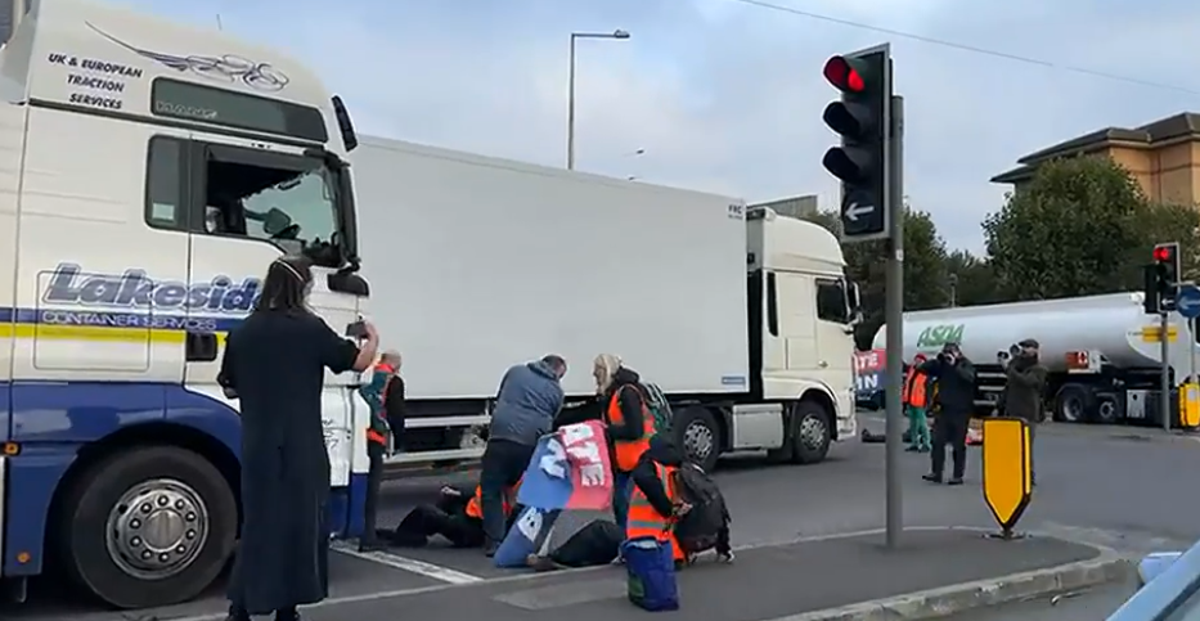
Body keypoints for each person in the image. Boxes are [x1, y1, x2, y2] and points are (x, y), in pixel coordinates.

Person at [218, 256, 379, 621]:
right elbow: (357, 362)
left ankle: (241, 608)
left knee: (259, 524)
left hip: (258, 445)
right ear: (301, 288)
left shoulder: (243, 331)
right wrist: (372, 337)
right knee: (298, 525)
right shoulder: (309, 328)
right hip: (301, 445)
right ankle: (286, 611)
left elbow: (229, 387)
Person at [480, 354, 567, 556]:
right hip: (529, 443)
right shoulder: (556, 391)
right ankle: (517, 536)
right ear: (557, 371)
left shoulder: (515, 371)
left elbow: (500, 397)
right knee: (521, 489)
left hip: (501, 436)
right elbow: (552, 417)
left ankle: (494, 541)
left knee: (491, 490)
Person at [594, 353, 654, 530]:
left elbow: (635, 430)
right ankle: (627, 545)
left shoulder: (627, 394)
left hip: (638, 460)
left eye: (597, 371)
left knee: (625, 506)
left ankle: (631, 545)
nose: (594, 375)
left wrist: (605, 431)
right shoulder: (615, 393)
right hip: (625, 462)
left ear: (606, 371)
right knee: (621, 505)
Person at [357, 351, 403, 552]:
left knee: (361, 487)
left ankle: (359, 530)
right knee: (372, 492)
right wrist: (399, 440)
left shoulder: (368, 376)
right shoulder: (393, 381)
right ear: (396, 365)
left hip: (360, 438)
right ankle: (368, 537)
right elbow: (396, 413)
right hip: (375, 439)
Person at [386, 483, 520, 549]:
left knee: (425, 512)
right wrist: (458, 493)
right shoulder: (502, 474)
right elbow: (479, 493)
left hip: (475, 528)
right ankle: (422, 528)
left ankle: (406, 537)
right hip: (473, 515)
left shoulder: (513, 486)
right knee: (449, 494)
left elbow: (503, 511)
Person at [919, 342, 976, 486]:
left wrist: (955, 364)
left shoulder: (965, 364)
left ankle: (958, 475)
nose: (948, 355)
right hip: (943, 410)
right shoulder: (942, 365)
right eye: (946, 352)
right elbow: (923, 369)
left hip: (960, 411)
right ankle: (936, 472)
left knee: (958, 444)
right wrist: (937, 359)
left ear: (958, 352)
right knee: (937, 442)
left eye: (951, 352)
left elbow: (969, 378)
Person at [627, 436, 689, 565]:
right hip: (669, 548)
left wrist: (665, 508)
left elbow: (643, 479)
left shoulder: (650, 467)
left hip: (645, 545)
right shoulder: (677, 469)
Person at [1001, 338, 1048, 485]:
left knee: (1025, 446)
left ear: (1035, 349)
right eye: (1023, 347)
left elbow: (1027, 381)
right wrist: (1010, 360)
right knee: (1012, 446)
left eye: (1027, 347)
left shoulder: (1039, 369)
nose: (1024, 350)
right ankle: (1014, 472)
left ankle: (1029, 475)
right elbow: (1010, 381)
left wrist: (1009, 369)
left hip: (1028, 412)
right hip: (1012, 409)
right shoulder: (1018, 363)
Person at [903, 353, 932, 453]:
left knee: (922, 424)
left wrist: (928, 403)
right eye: (917, 360)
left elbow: (928, 389)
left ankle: (926, 444)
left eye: (920, 360)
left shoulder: (926, 373)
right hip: (911, 401)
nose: (918, 362)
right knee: (913, 424)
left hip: (920, 402)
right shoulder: (912, 370)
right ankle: (915, 443)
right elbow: (908, 386)